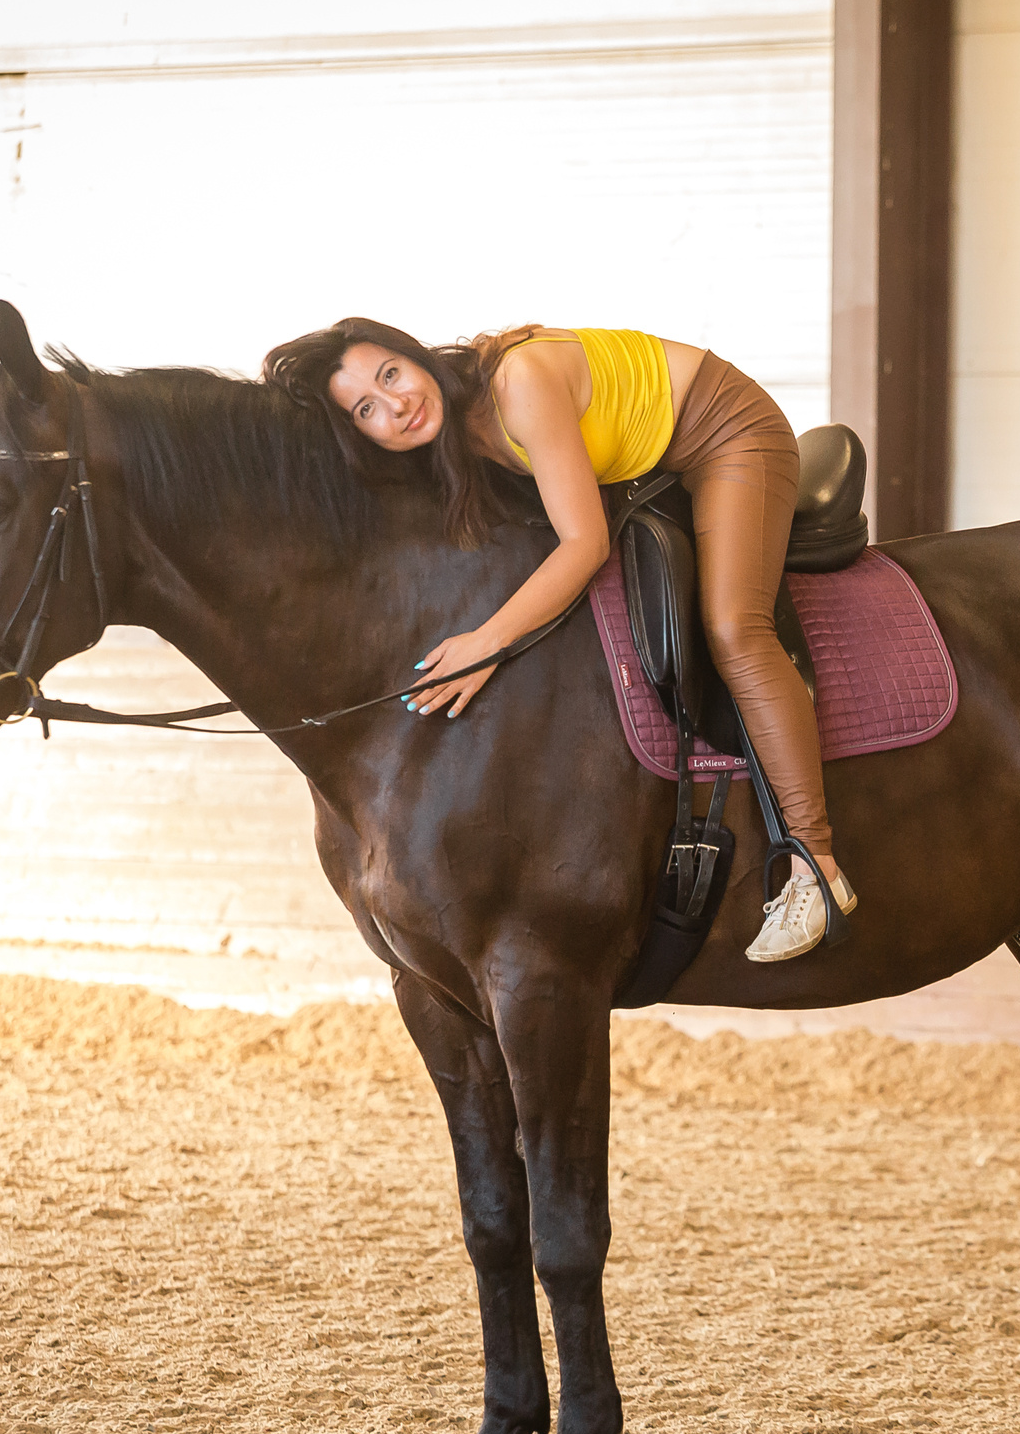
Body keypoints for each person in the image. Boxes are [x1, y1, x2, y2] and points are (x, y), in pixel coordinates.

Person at [261, 320, 854, 963]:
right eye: (368, 409)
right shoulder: (458, 432)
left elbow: (586, 544)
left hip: (727, 430)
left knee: (734, 628)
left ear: (413, 356)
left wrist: (486, 642)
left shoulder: (519, 384)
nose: (397, 403)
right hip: (650, 458)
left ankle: (815, 867)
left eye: (390, 374)